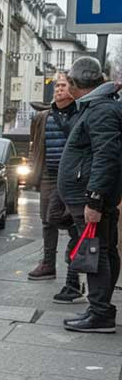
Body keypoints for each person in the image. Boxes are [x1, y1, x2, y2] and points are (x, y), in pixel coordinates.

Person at [58, 57, 122, 333]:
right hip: (88, 194)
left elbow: (107, 155)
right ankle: (100, 309)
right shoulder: (97, 106)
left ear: (74, 84)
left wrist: (94, 198)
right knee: (103, 251)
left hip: (89, 196)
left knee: (96, 253)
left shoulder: (101, 110)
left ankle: (100, 313)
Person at [26, 72, 83, 303]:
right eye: (57, 85)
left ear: (73, 89)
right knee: (47, 220)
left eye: (64, 85)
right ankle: (49, 263)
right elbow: (36, 145)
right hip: (49, 174)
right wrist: (34, 172)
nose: (59, 89)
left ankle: (75, 248)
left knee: (71, 218)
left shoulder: (80, 113)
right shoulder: (42, 116)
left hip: (72, 175)